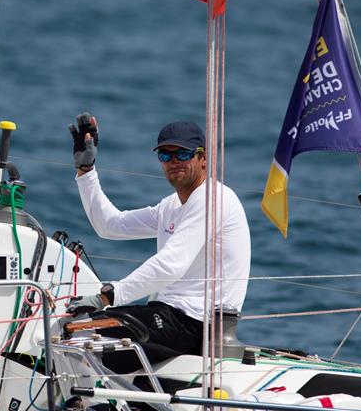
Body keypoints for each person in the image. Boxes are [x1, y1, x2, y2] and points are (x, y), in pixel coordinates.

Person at [66, 113, 251, 373]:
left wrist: (108, 296)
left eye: (183, 154)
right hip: (167, 315)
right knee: (73, 326)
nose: (174, 161)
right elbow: (110, 225)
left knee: (81, 336)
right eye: (165, 155)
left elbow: (172, 264)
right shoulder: (171, 206)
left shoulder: (214, 198)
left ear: (204, 158)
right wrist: (86, 172)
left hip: (196, 323)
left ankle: (89, 409)